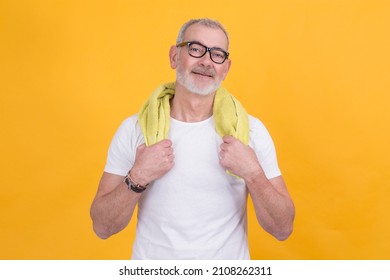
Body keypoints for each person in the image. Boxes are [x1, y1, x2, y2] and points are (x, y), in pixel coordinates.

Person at [90, 18, 295, 260]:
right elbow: (102, 227)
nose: (207, 61)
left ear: (226, 68)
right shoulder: (136, 130)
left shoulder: (250, 132)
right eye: (196, 49)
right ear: (174, 57)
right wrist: (137, 177)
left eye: (217, 54)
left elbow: (283, 229)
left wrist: (253, 173)